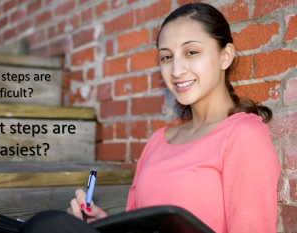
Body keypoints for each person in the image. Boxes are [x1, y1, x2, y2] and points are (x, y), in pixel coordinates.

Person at [19, 2, 281, 233]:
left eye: (191, 52)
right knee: (48, 224)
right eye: (166, 57)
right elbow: (139, 222)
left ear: (225, 56)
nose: (177, 70)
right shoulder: (158, 141)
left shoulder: (242, 135)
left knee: (46, 226)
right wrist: (104, 224)